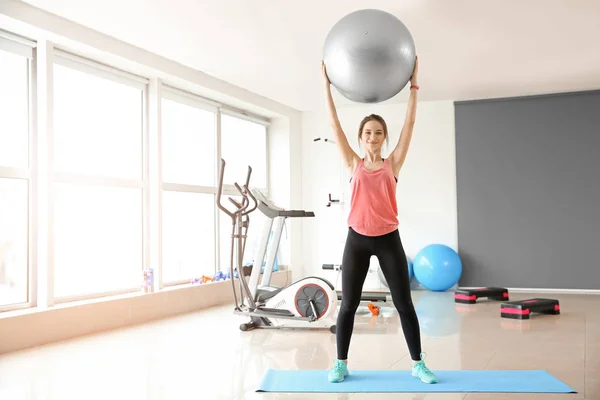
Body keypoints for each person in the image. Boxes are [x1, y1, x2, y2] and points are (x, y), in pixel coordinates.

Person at [322, 57, 438, 384]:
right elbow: (334, 125)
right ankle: (341, 363)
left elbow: (410, 125)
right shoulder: (353, 163)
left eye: (378, 132)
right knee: (348, 305)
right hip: (356, 240)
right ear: (361, 136)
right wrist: (327, 86)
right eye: (368, 132)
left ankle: (417, 364)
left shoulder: (393, 163)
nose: (373, 136)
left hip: (389, 239)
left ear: (384, 137)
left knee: (404, 303)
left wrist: (414, 84)